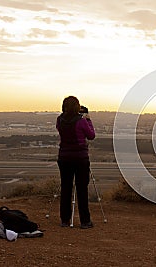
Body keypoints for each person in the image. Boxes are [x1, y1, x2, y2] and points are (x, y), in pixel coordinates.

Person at [56, 96, 95, 229]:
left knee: (66, 187)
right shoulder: (82, 121)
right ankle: (85, 221)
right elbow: (91, 136)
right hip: (80, 159)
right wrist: (88, 120)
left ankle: (65, 220)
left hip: (64, 158)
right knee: (82, 189)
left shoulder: (59, 120)